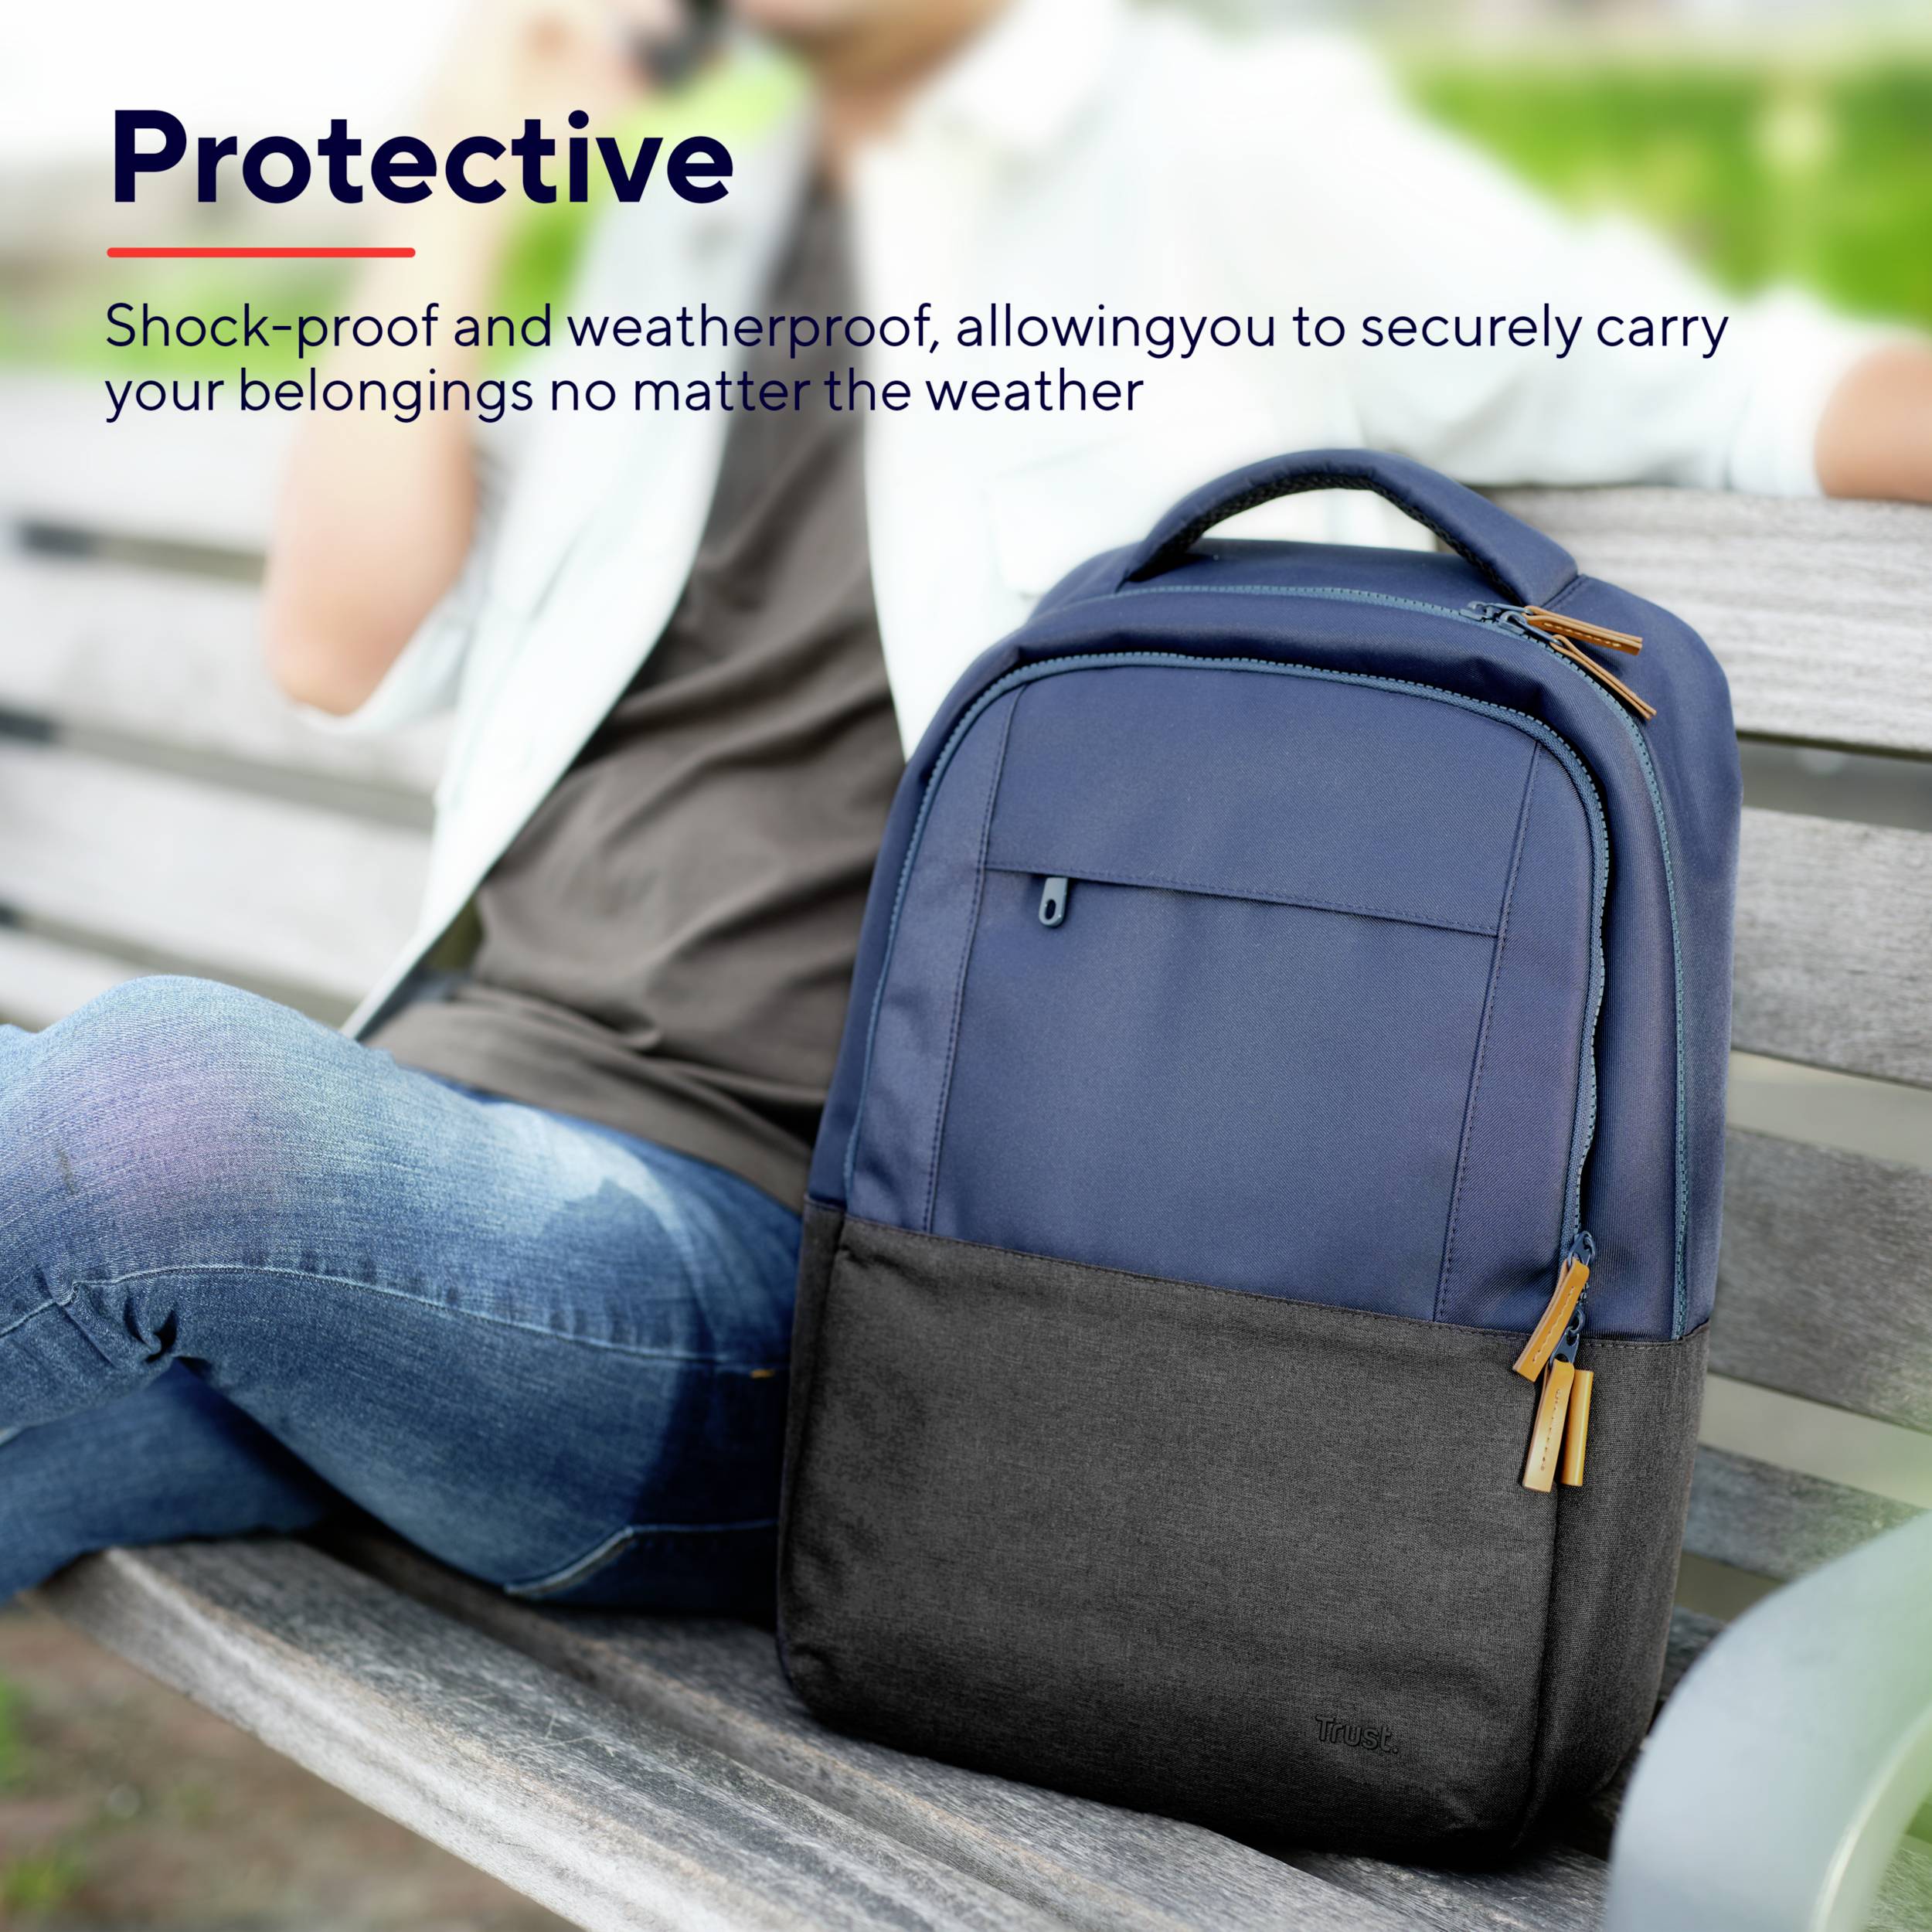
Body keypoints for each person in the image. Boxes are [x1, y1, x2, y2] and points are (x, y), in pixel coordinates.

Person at [4, 0, 1930, 1610]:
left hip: (776, 1295)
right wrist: (463, 182)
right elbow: (338, 643)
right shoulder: (670, 207)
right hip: (417, 1188)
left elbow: (1768, 396)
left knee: (143, 1092)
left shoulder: (1235, 169)